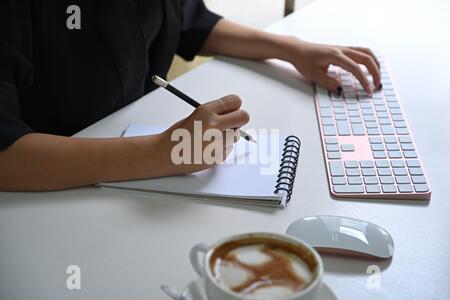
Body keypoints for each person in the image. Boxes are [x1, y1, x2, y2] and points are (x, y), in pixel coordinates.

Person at [0, 0, 381, 191]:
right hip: (46, 195)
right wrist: (161, 152)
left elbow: (192, 22)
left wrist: (292, 48)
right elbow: (7, 156)